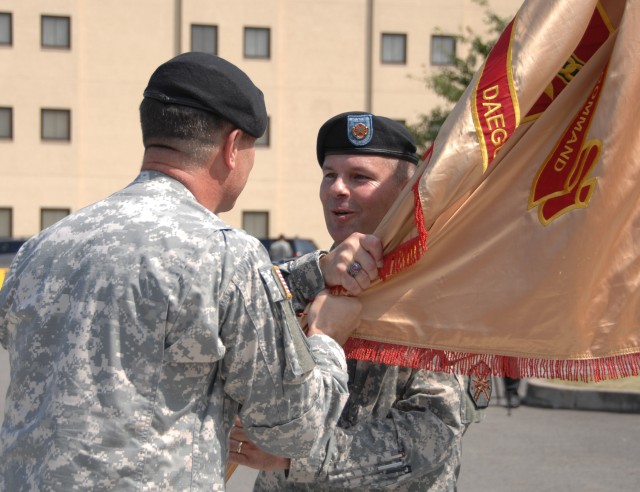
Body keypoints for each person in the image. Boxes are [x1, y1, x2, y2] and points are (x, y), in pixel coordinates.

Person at [0, 53, 364, 491]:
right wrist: (326, 340)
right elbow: (295, 428)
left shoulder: (42, 248)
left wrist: (317, 270)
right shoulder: (225, 252)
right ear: (232, 147)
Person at [229, 112, 486, 491]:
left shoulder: (436, 294)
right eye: (329, 175)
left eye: (359, 177)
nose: (337, 189)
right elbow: (233, 305)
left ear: (404, 190)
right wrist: (317, 272)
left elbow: (434, 434)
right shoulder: (306, 279)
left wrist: (299, 456)